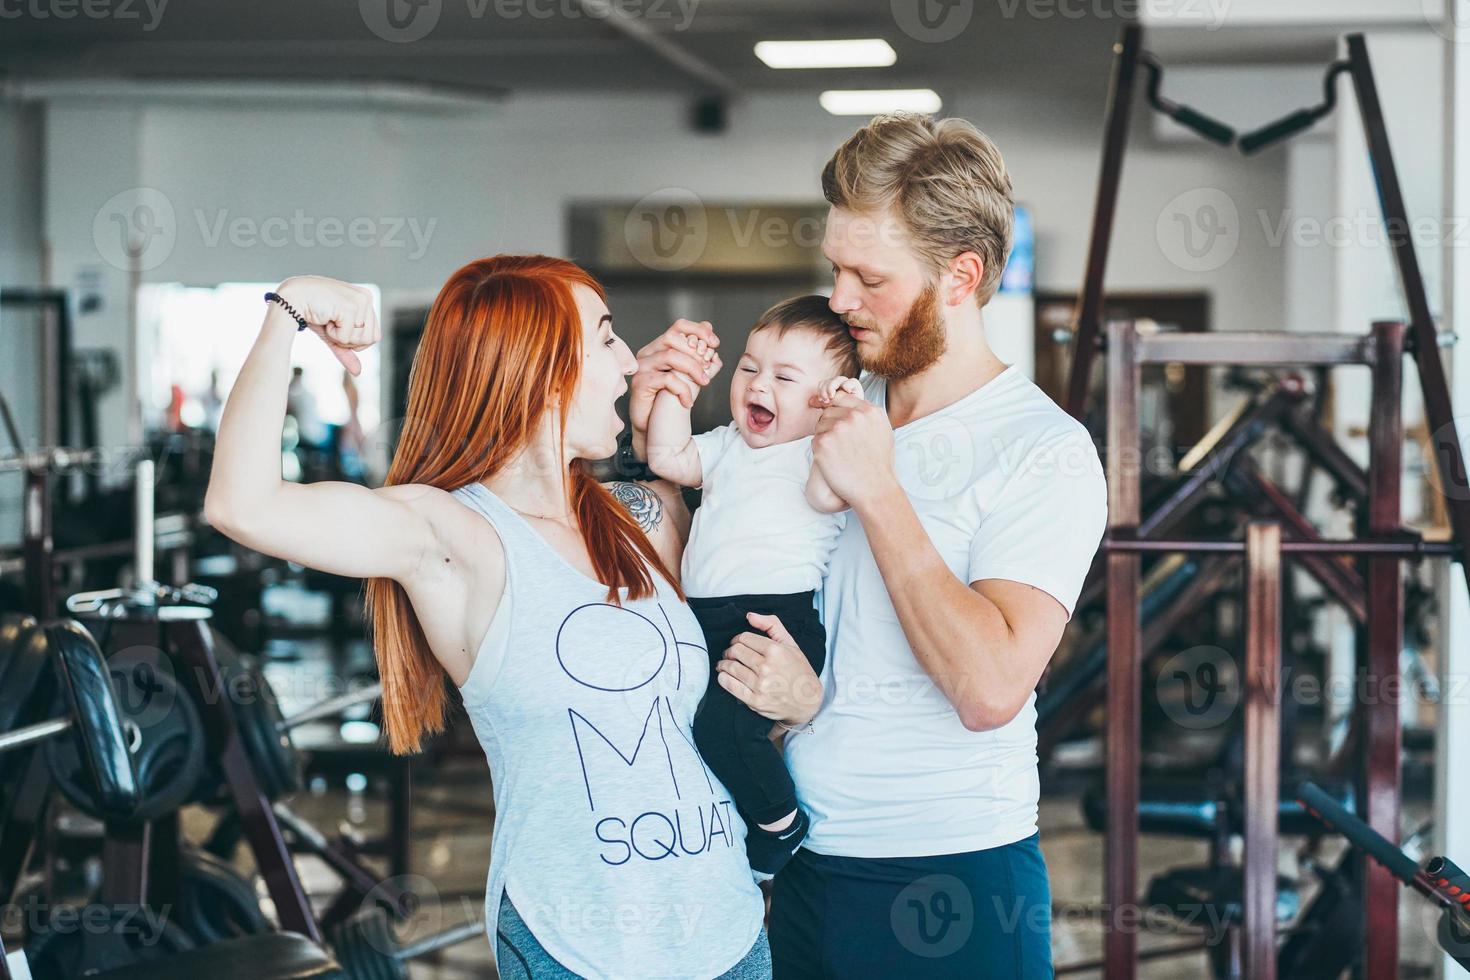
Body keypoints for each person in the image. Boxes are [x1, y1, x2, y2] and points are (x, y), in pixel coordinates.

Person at [204, 256, 793, 979]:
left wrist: (651, 421)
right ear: (543, 370)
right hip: (579, 947)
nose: (626, 359)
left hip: (728, 931)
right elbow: (240, 504)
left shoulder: (634, 520)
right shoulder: (454, 537)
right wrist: (287, 312)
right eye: (605, 337)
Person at [630, 113, 1109, 978]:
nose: (840, 298)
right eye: (835, 268)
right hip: (802, 859)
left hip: (951, 876)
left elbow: (991, 686)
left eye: (868, 276)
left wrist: (879, 490)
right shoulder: (820, 401)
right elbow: (710, 567)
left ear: (960, 277)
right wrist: (654, 429)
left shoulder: (1042, 448)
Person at [645, 295, 860, 880]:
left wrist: (840, 423)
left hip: (774, 624)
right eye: (748, 367)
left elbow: (825, 498)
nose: (758, 383)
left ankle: (780, 822)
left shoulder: (815, 458)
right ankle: (726, 827)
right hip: (708, 619)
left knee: (724, 730)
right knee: (691, 727)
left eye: (784, 377)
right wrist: (675, 394)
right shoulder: (727, 446)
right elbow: (669, 457)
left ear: (825, 400)